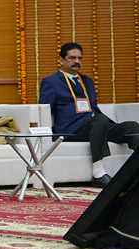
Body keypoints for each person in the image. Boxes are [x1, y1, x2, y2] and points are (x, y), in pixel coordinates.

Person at [39, 43, 139, 188]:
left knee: (132, 126)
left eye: (79, 58)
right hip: (73, 130)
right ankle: (98, 173)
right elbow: (44, 109)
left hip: (97, 126)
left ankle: (134, 171)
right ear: (61, 60)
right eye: (72, 58)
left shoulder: (87, 81)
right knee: (99, 120)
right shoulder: (51, 82)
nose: (77, 61)